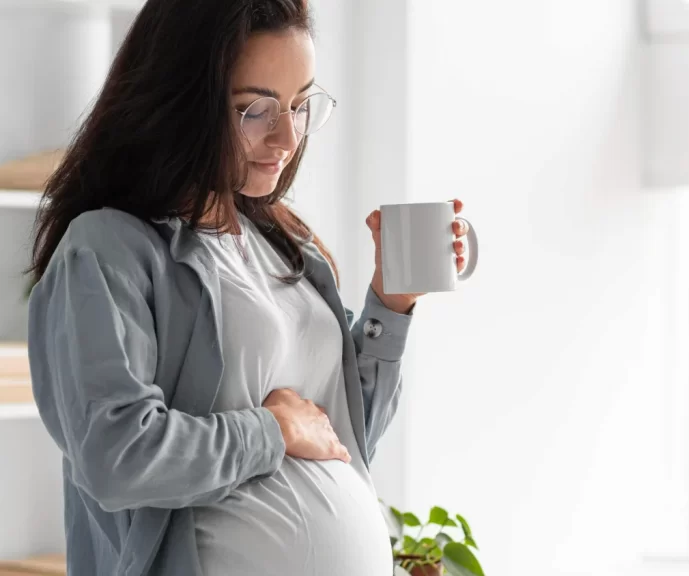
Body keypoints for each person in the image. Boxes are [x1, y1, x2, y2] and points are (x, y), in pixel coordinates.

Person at [25, 1, 471, 574]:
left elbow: (345, 441)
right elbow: (117, 455)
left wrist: (393, 304)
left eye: (299, 104)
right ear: (182, 100)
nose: (286, 137)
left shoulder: (287, 246)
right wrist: (272, 431)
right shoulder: (108, 249)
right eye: (255, 109)